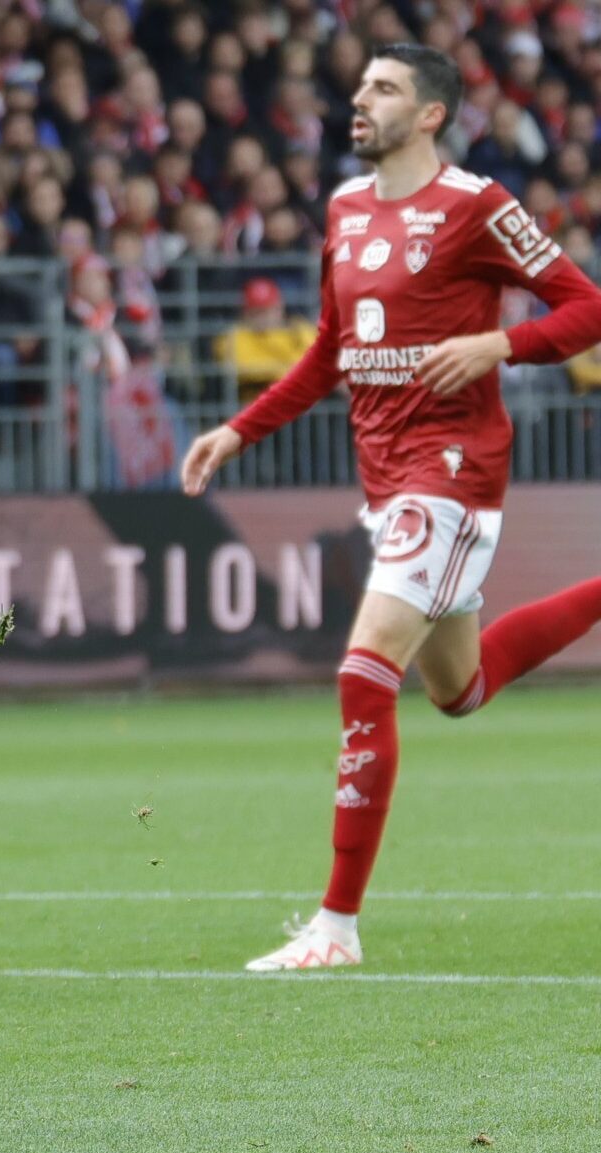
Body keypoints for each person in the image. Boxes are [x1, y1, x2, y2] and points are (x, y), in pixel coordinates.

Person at [179, 45, 601, 972]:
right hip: (386, 478)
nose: (360, 99)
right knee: (461, 689)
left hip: (452, 470)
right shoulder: (343, 209)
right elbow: (331, 350)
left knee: (364, 673)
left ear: (433, 113)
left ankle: (335, 928)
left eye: (384, 88)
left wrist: (500, 344)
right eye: (363, 85)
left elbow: (585, 307)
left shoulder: (479, 205)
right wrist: (239, 431)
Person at [211, 278, 318, 404]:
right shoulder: (232, 337)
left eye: (268, 310)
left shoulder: (300, 330)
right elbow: (246, 370)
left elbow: (315, 365)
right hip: (256, 404)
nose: (264, 317)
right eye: (256, 312)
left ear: (279, 307)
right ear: (245, 312)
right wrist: (288, 368)